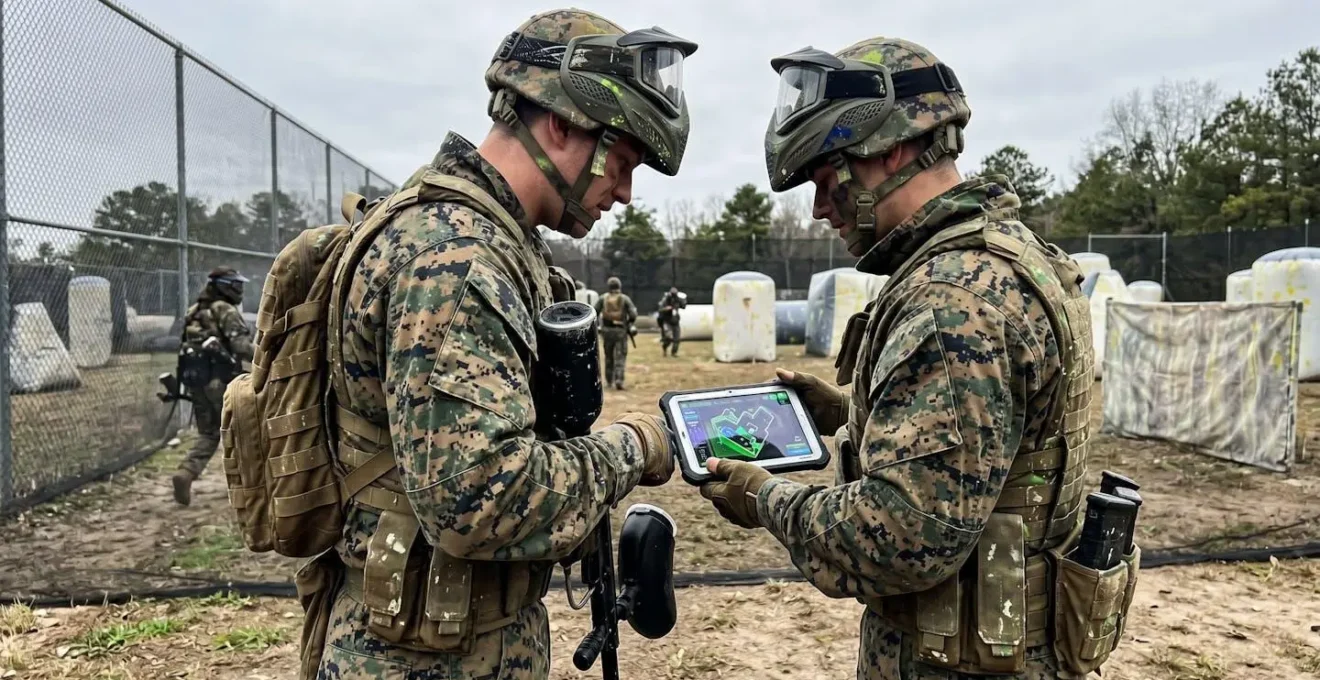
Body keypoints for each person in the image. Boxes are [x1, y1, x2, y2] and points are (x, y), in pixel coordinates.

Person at [699, 37, 1105, 679]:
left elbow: (898, 537)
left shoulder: (951, 300)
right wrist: (853, 412)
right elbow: (998, 441)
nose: (818, 206)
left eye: (826, 177)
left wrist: (764, 498)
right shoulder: (1011, 258)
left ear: (890, 149)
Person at [312, 9, 693, 680]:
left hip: (457, 639)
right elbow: (480, 500)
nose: (627, 193)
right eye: (623, 161)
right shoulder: (456, 259)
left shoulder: (491, 242)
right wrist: (638, 445)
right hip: (423, 658)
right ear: (561, 123)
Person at [171, 266, 252, 506]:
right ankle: (250, 485)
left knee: (209, 433)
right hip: (222, 381)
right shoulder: (224, 310)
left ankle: (185, 473)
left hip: (196, 381)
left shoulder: (194, 311)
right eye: (236, 285)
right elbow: (241, 347)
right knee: (244, 430)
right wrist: (269, 357)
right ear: (224, 287)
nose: (240, 290)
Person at [594, 276, 637, 389]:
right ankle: (619, 380)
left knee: (608, 357)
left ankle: (609, 381)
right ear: (619, 286)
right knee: (620, 356)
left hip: (607, 331)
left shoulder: (603, 298)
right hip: (620, 331)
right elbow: (633, 314)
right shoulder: (624, 298)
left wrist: (598, 326)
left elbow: (595, 312)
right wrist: (629, 323)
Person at [656, 286, 685, 357]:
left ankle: (674, 353)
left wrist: (682, 301)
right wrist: (666, 309)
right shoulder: (665, 300)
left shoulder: (677, 299)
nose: (674, 297)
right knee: (668, 337)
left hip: (675, 321)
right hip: (667, 321)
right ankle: (664, 348)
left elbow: (683, 306)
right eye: (673, 295)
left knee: (677, 338)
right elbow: (660, 309)